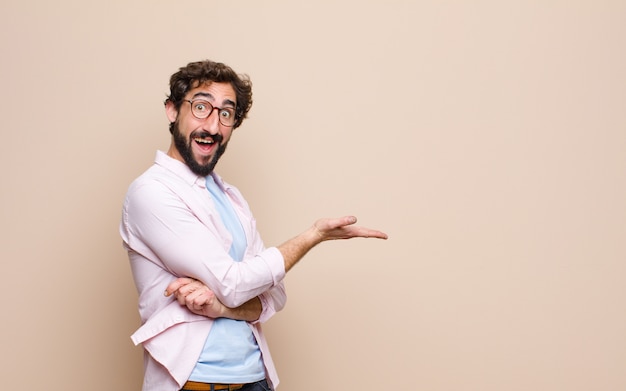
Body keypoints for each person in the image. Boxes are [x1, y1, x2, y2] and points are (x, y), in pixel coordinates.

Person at [120, 59, 388, 391]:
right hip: (194, 383)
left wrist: (220, 305)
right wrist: (312, 236)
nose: (214, 126)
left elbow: (273, 295)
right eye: (201, 107)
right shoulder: (152, 192)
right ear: (173, 110)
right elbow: (235, 283)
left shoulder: (230, 197)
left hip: (254, 379)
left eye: (226, 114)